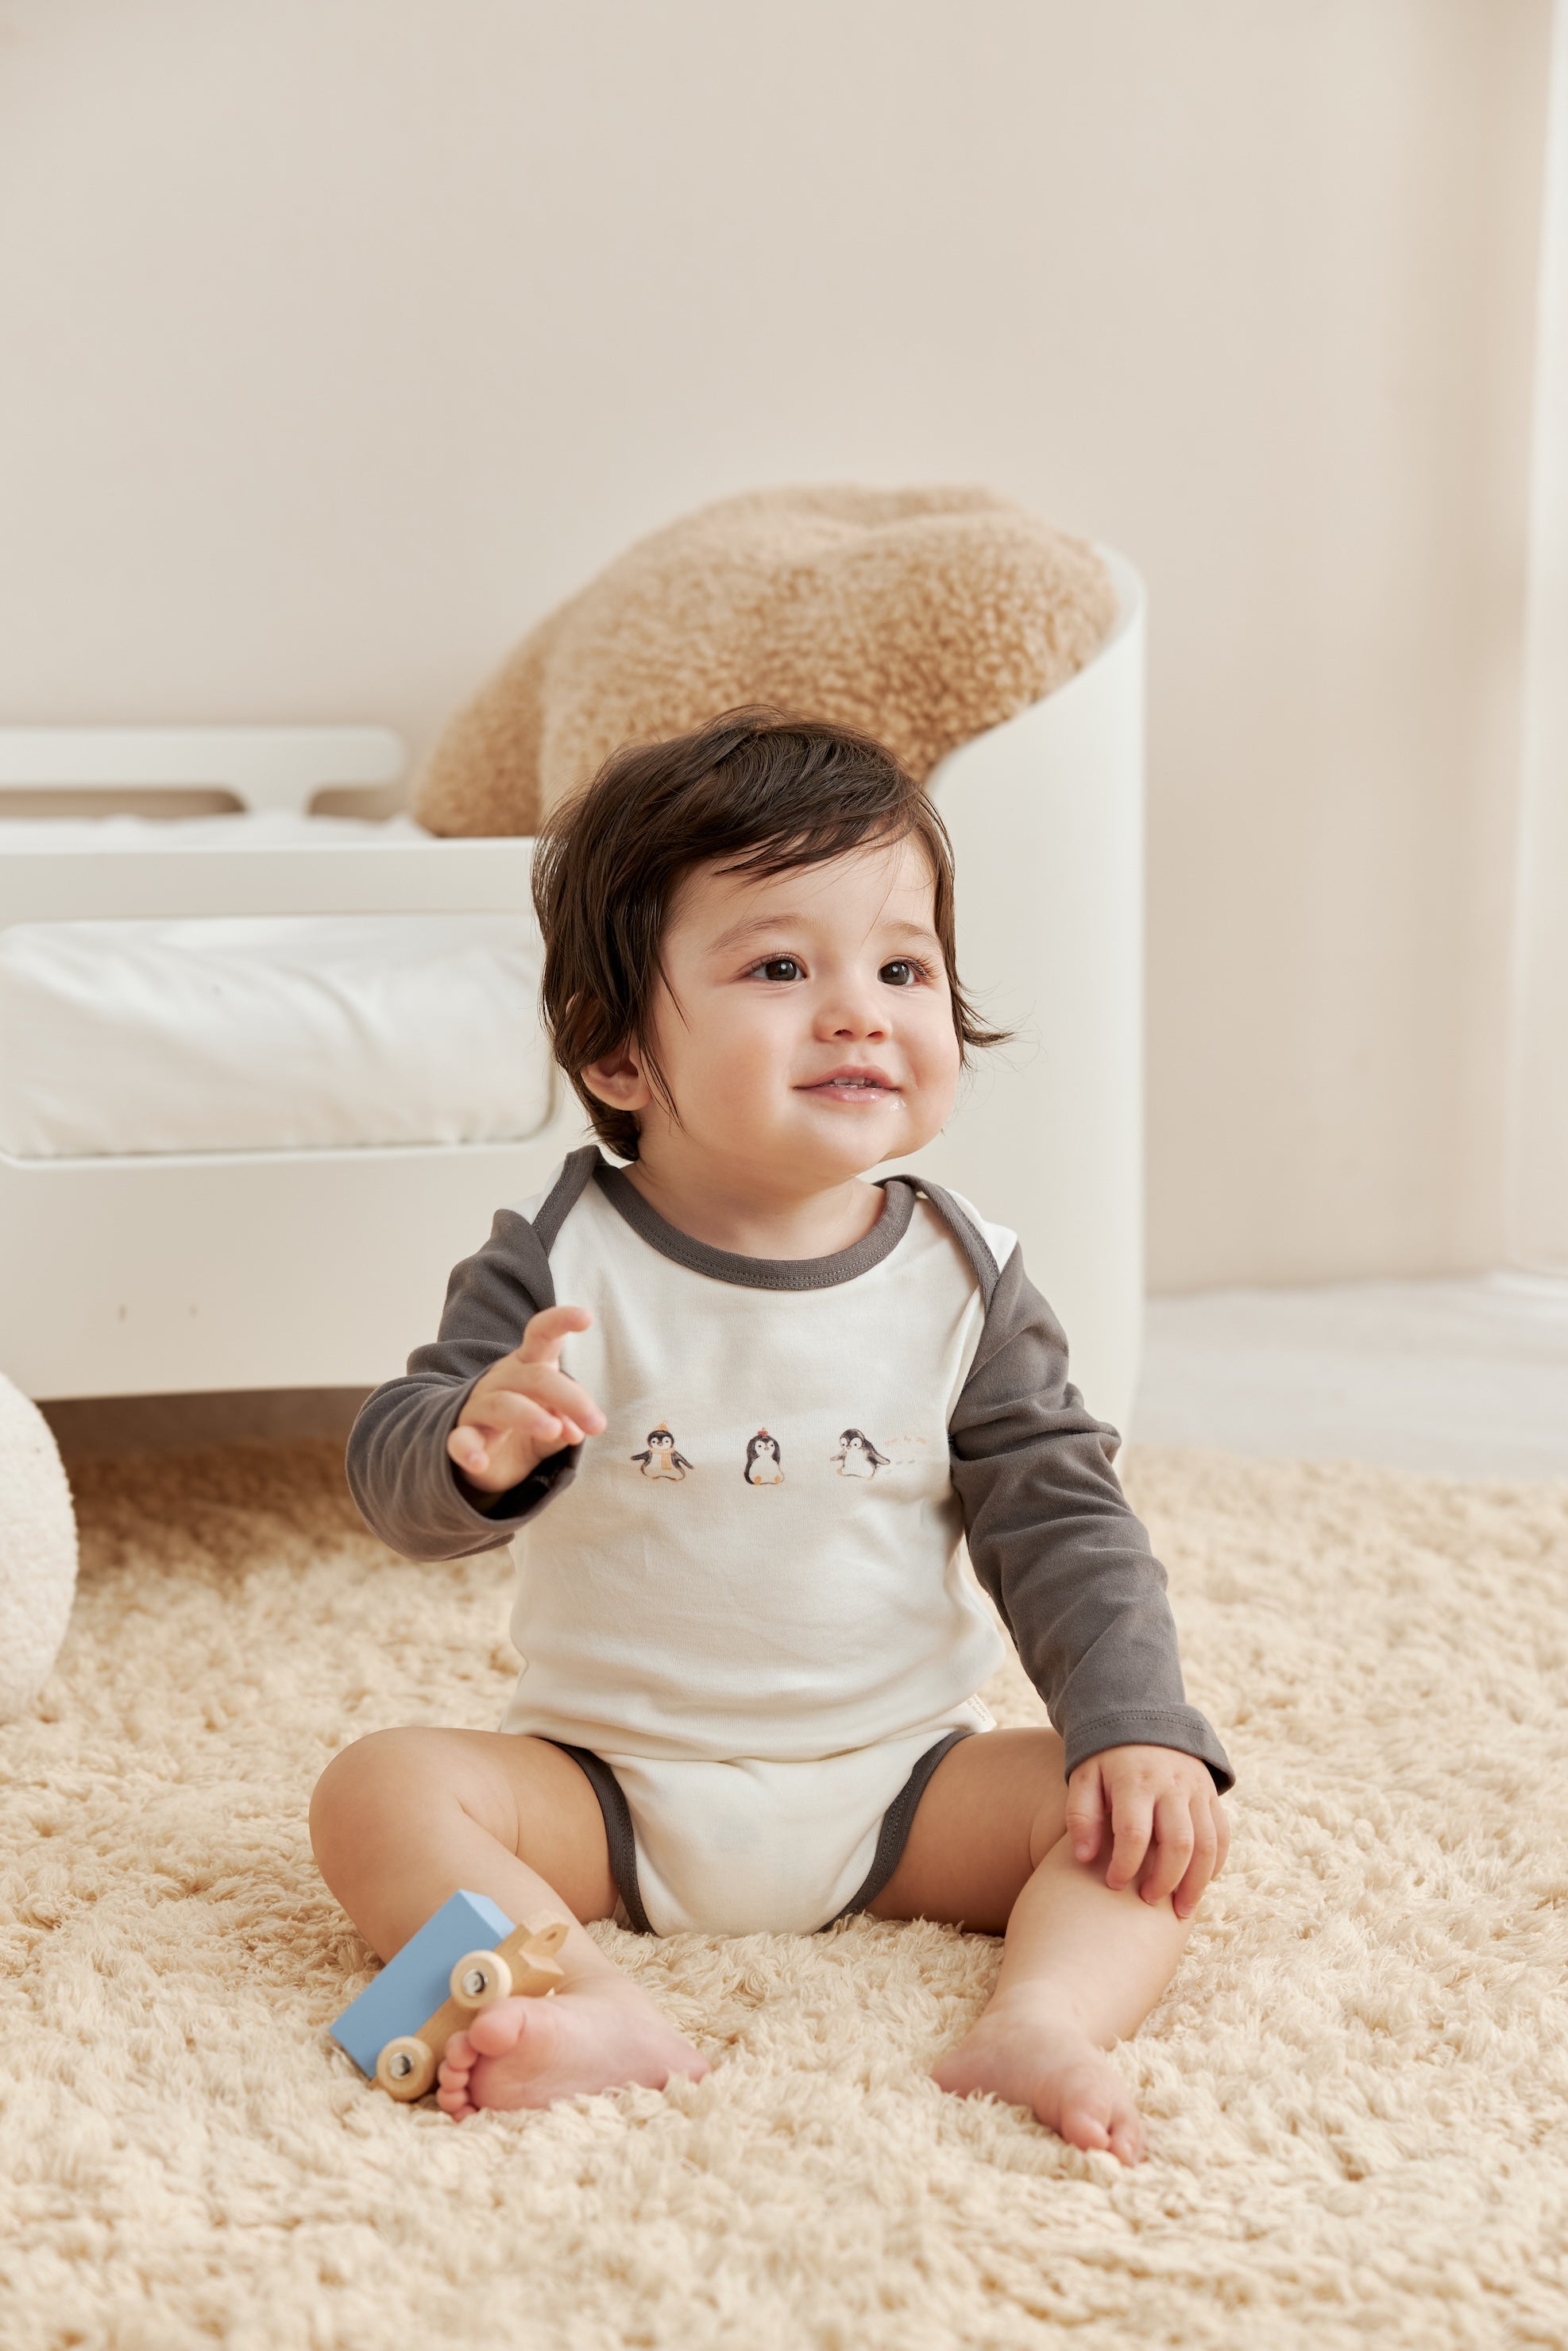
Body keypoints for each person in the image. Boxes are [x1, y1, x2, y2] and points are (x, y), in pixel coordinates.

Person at [311, 709, 1233, 2165]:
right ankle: (580, 1999)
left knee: (1135, 1809)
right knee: (376, 1791)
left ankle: (1044, 2021)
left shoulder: (966, 1277)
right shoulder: (559, 1257)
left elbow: (1063, 1518)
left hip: (903, 1785)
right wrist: (470, 1448)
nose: (860, 1009)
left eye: (902, 966)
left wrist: (1136, 1725)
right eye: (779, 967)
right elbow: (399, 1477)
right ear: (617, 1051)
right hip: (607, 1787)